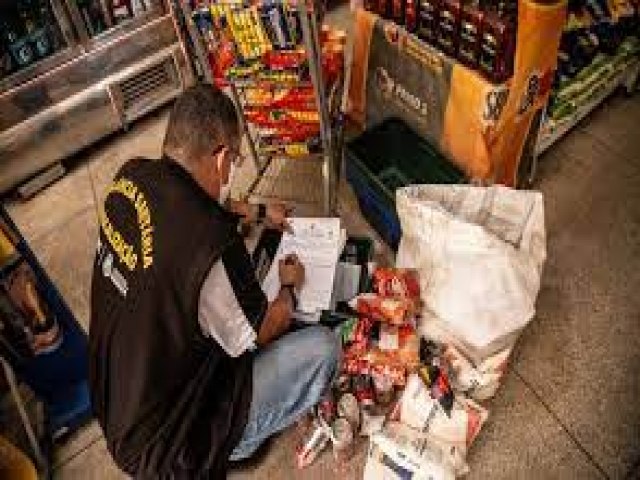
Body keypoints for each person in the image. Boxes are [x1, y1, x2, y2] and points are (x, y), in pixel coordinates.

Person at [89, 84, 340, 479]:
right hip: (171, 448)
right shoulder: (211, 245)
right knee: (322, 348)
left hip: (119, 407)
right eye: (236, 159)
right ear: (222, 158)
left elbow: (197, 199)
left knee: (224, 306)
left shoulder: (132, 177)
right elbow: (266, 330)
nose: (234, 169)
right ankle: (237, 444)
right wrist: (290, 285)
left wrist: (257, 211)